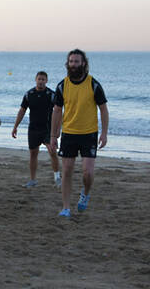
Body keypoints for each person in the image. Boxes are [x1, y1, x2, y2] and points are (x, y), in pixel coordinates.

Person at [50, 49, 109, 218]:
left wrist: (104, 134)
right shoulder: (62, 86)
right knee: (67, 170)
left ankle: (85, 193)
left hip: (89, 133)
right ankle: (66, 207)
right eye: (71, 61)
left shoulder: (93, 84)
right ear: (67, 64)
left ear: (84, 63)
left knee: (87, 173)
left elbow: (103, 109)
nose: (74, 64)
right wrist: (54, 136)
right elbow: (57, 111)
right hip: (68, 133)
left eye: (77, 61)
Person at [12, 71, 61, 188]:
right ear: (35, 80)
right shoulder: (29, 94)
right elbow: (22, 111)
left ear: (46, 81)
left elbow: (59, 112)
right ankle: (33, 180)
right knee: (33, 154)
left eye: (43, 79)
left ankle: (57, 177)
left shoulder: (52, 94)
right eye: (39, 79)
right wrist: (15, 127)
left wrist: (58, 129)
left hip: (48, 129)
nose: (41, 81)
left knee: (52, 152)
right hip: (33, 129)